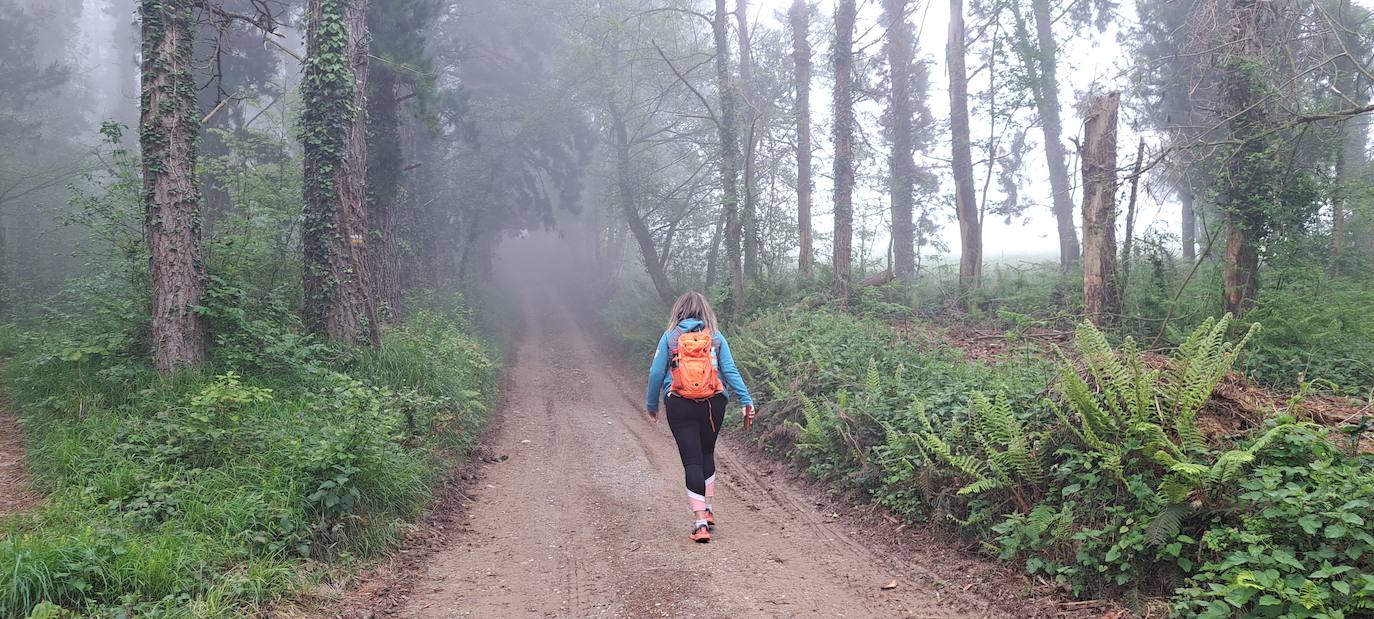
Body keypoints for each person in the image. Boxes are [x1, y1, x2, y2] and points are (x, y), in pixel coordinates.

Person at [645, 291, 755, 543]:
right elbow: (729, 370)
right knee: (706, 453)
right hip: (713, 403)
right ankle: (708, 509)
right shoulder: (715, 337)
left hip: (679, 402)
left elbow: (654, 372)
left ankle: (700, 523)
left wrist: (653, 404)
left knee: (692, 461)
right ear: (706, 311)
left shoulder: (671, 337)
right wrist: (746, 400)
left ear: (678, 311)